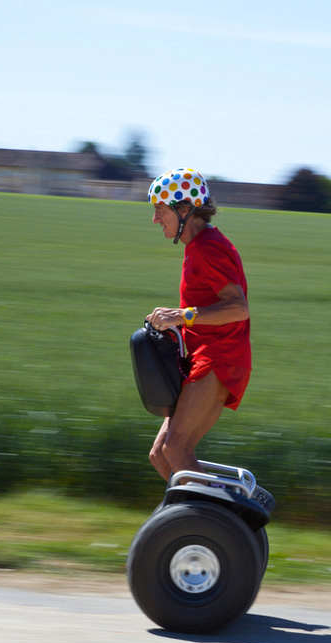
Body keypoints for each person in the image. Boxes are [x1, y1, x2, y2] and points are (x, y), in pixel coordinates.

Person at [144, 168, 251, 482]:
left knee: (176, 448)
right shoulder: (198, 247)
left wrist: (181, 315)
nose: (155, 219)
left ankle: (221, 524)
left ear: (184, 209)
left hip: (219, 358)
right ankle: (187, 525)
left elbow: (238, 308)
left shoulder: (208, 248)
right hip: (204, 358)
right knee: (161, 452)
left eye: (159, 210)